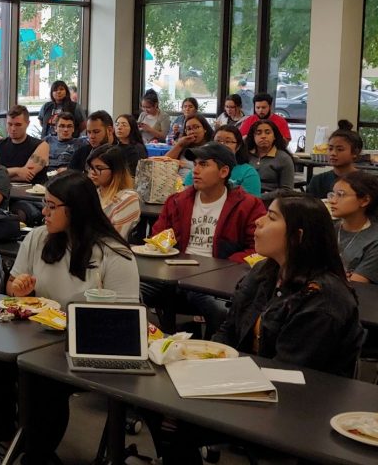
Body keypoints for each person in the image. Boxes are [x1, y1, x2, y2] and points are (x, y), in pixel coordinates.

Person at [151, 192, 365, 463]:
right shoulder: (266, 271)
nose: (258, 223)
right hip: (248, 381)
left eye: (271, 217)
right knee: (158, 403)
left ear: (298, 236)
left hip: (295, 406)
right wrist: (198, 362)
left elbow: (289, 371)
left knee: (172, 418)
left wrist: (212, 382)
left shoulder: (323, 299)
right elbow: (228, 330)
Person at [0, 171, 139, 465]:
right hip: (38, 335)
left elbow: (124, 322)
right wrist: (20, 290)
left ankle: (38, 453)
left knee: (42, 379)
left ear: (76, 210)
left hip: (88, 345)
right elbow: (12, 287)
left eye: (52, 206)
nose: (44, 213)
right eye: (44, 205)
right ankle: (3, 435)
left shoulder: (114, 254)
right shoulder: (39, 237)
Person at [146, 142, 266, 335]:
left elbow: (258, 249)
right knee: (129, 293)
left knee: (218, 311)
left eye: (204, 165)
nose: (196, 170)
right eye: (195, 164)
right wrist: (165, 248)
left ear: (224, 171)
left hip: (214, 280)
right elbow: (157, 237)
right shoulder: (177, 201)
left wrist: (222, 266)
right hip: (172, 273)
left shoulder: (248, 206)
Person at [182, 124, 262, 197]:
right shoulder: (198, 168)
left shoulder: (248, 172)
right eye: (218, 141)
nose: (221, 145)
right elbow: (186, 196)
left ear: (238, 146)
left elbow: (251, 205)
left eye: (227, 141)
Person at [329, 172, 378, 284]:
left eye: (341, 195)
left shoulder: (374, 240)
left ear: (365, 200)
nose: (332, 200)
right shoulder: (327, 228)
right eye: (332, 194)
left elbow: (356, 284)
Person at [86, 145, 141, 238]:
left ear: (116, 171)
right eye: (91, 167)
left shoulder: (128, 199)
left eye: (99, 168)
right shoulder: (92, 193)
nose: (93, 172)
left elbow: (115, 238)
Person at [305, 120, 362, 199]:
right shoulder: (318, 181)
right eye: (330, 148)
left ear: (355, 152)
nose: (333, 153)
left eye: (340, 149)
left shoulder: (365, 182)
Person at [245, 119, 294, 200]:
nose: (263, 136)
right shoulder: (245, 155)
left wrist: (259, 197)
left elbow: (287, 191)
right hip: (245, 199)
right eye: (258, 133)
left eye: (268, 132)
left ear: (274, 136)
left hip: (270, 201)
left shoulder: (283, 158)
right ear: (253, 137)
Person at [0, 105, 41, 182]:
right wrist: (17, 170)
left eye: (18, 125)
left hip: (29, 192)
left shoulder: (40, 145)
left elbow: (27, 176)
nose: (13, 129)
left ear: (27, 123)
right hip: (1, 191)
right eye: (10, 124)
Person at [165, 113, 213, 179]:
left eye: (196, 127)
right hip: (179, 184)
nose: (192, 131)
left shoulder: (212, 148)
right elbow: (163, 163)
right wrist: (179, 145)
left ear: (205, 129)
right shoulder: (183, 146)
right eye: (189, 129)